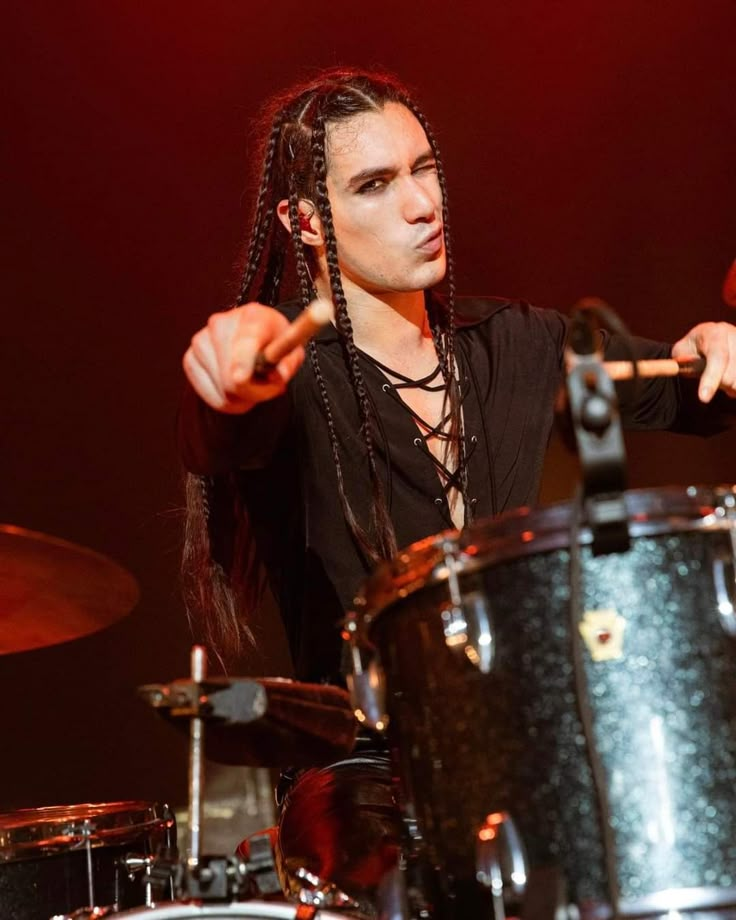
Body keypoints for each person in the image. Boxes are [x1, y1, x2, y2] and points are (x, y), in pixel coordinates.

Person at [178, 68, 736, 911]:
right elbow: (225, 417)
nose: (420, 203)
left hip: (535, 746)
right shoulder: (294, 383)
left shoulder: (518, 343)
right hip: (367, 776)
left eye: (424, 168)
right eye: (375, 184)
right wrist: (232, 356)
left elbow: (691, 393)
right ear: (304, 222)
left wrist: (720, 348)